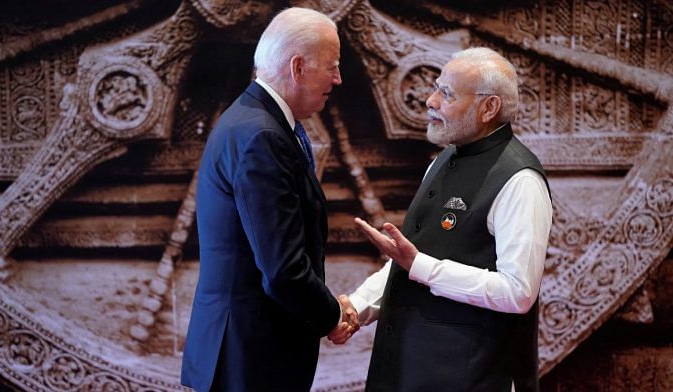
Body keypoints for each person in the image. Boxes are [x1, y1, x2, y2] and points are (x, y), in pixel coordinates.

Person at [341, 47, 553, 391]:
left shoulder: (520, 180)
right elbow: (409, 261)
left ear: (489, 108)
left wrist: (422, 266)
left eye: (447, 93)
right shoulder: (442, 161)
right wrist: (357, 307)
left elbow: (518, 292)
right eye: (436, 87)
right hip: (407, 371)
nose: (430, 100)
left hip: (469, 378)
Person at [181, 8, 357, 392]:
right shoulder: (262, 136)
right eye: (332, 66)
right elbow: (282, 269)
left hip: (246, 354)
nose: (338, 78)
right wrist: (332, 316)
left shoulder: (252, 121)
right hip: (252, 362)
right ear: (298, 67)